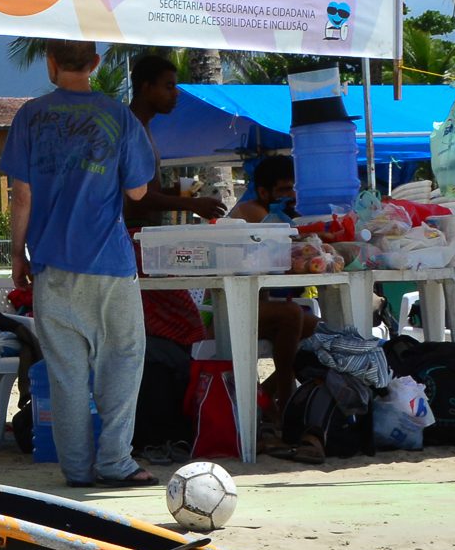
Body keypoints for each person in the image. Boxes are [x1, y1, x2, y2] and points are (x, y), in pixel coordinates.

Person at [3, 39, 157, 487]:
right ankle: (115, 462)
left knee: (67, 373)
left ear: (50, 64)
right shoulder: (119, 117)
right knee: (122, 362)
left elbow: (22, 195)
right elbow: (138, 192)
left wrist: (17, 254)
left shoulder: (29, 116)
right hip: (110, 261)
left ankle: (76, 470)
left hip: (51, 264)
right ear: (96, 62)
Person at [231, 152, 321, 410]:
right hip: (227, 311)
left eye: (294, 188)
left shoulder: (279, 216)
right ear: (262, 191)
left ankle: (265, 393)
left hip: (257, 307)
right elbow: (290, 250)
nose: (291, 195)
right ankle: (286, 400)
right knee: (292, 314)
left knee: (318, 328)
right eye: (284, 189)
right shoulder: (252, 212)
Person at [121, 51, 225, 227]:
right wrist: (191, 204)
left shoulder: (141, 126)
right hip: (133, 230)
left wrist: (173, 192)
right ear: (147, 87)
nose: (176, 94)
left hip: (143, 229)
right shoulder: (130, 129)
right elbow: (134, 197)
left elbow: (144, 191)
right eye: (169, 86)